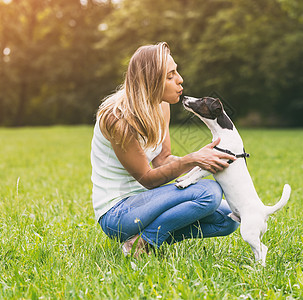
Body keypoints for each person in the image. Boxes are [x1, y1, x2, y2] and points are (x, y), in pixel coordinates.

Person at [91, 42, 239, 257]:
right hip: (117, 214)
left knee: (230, 218)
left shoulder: (161, 106)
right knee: (209, 193)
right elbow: (148, 178)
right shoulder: (118, 118)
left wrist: (203, 163)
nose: (180, 79)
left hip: (147, 204)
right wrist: (193, 159)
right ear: (150, 82)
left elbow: (163, 160)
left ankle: (145, 239)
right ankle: (143, 243)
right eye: (169, 76)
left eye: (176, 71)